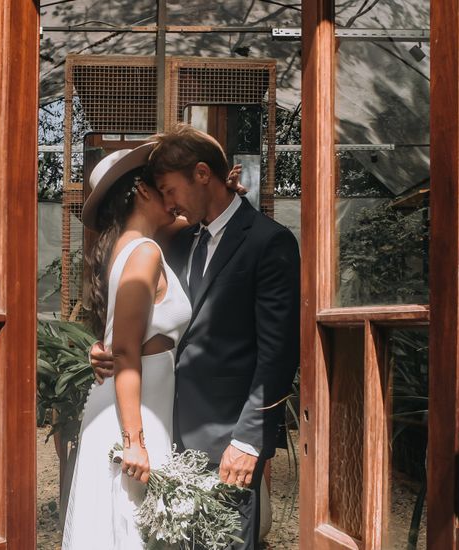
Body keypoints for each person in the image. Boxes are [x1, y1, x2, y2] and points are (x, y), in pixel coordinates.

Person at [90, 124, 301, 549]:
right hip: (168, 432)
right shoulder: (179, 242)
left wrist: (249, 439)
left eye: (170, 190)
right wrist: (105, 350)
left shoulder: (269, 243)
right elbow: (145, 317)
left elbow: (278, 354)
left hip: (228, 441)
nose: (168, 203)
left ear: (203, 174)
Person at [62, 142, 193, 549]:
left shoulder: (129, 246)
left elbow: (188, 217)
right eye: (164, 189)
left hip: (133, 405)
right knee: (129, 528)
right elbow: (124, 351)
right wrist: (134, 442)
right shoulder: (145, 252)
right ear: (141, 191)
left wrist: (221, 191)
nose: (174, 201)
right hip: (130, 416)